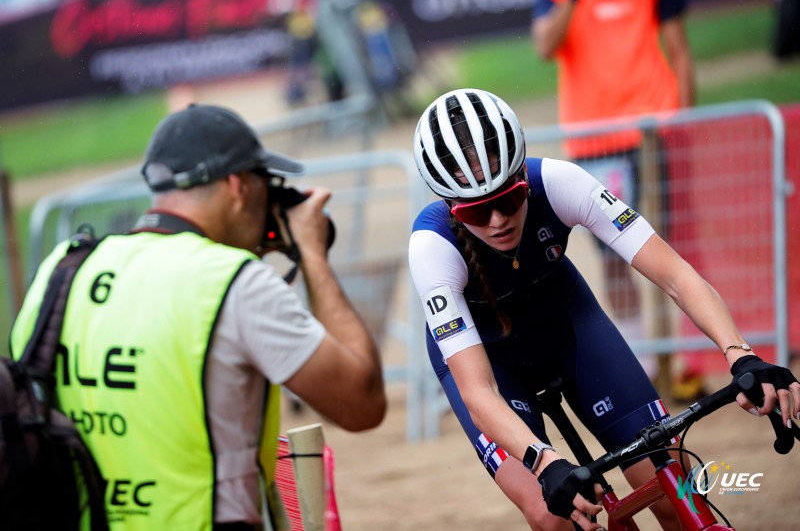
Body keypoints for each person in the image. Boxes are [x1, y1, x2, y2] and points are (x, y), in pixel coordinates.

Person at [408, 88, 800, 530]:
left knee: (678, 494)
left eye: (509, 199)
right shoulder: (431, 247)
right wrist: (543, 462)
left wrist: (740, 353)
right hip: (490, 363)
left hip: (569, 327)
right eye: (478, 212)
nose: (498, 220)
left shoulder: (560, 182)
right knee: (554, 516)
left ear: (523, 176)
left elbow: (676, 275)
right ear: (451, 209)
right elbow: (477, 391)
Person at [10, 104, 387, 529]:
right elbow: (362, 404)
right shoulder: (235, 283)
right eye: (266, 184)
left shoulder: (63, 269)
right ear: (238, 185)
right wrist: (312, 255)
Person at [531, 0, 696, 387]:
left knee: (665, 246)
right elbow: (544, 46)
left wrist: (688, 126)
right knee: (614, 258)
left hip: (656, 132)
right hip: (596, 143)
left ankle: (680, 358)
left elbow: (681, 52)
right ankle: (646, 367)